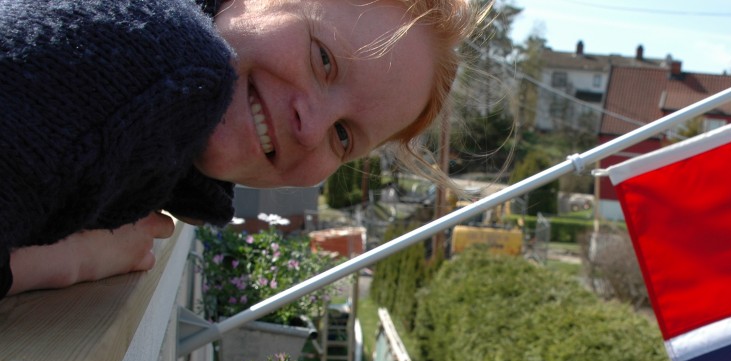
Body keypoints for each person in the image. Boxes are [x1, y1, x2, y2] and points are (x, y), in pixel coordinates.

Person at [0, 0, 478, 297]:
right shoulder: (169, 55)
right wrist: (60, 263)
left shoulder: (164, 149)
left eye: (344, 136)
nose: (311, 128)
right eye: (324, 59)